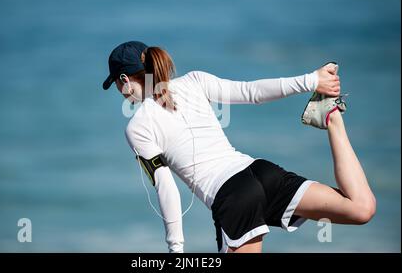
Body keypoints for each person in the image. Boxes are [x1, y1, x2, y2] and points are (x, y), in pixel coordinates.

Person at [102, 41, 376, 253]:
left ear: (124, 80)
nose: (119, 91)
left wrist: (176, 250)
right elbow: (252, 92)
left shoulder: (137, 127)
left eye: (116, 84)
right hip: (260, 172)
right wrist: (310, 81)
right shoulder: (195, 80)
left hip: (234, 196)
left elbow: (166, 188)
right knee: (361, 208)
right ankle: (333, 119)